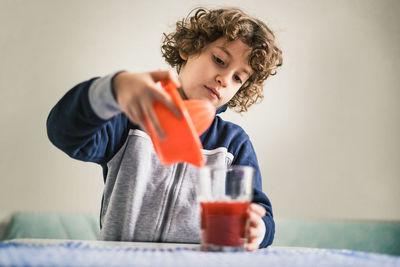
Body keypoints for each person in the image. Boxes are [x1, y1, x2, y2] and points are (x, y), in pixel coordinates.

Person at [47, 7, 282, 250]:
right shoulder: (132, 119)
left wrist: (258, 228)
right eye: (219, 60)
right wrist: (113, 89)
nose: (224, 78)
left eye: (238, 78)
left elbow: (257, 210)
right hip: (120, 260)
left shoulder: (233, 143)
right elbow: (64, 133)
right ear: (188, 49)